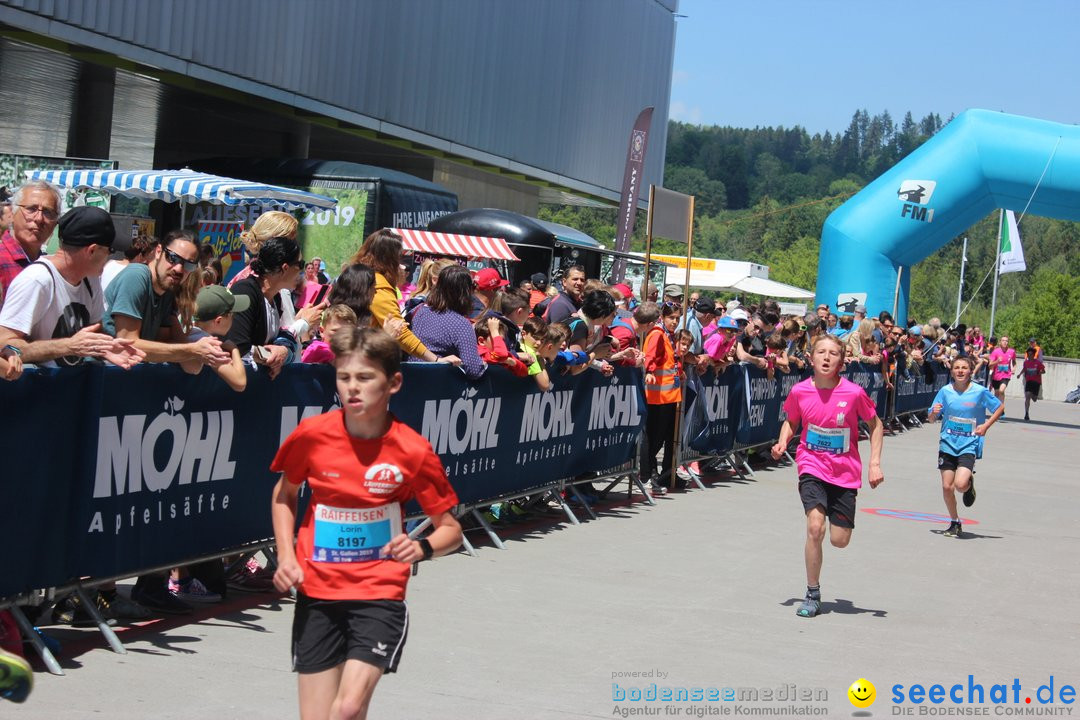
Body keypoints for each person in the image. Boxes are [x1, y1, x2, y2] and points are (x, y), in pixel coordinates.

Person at [270, 326, 462, 720]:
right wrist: (286, 557)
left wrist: (422, 547)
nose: (352, 388)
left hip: (379, 593)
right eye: (344, 377)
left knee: (348, 708)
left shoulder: (412, 449)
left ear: (393, 382)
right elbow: (284, 496)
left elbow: (451, 529)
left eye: (364, 378)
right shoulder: (312, 435)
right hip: (318, 591)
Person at [771, 334, 884, 618]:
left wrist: (874, 463)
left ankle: (838, 524)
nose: (826, 357)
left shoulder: (854, 393)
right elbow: (792, 420)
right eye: (820, 352)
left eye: (833, 353)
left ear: (842, 361)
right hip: (811, 465)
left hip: (845, 473)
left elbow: (876, 424)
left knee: (839, 540)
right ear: (810, 358)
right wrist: (783, 440)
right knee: (815, 527)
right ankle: (812, 592)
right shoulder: (799, 391)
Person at [0, 206, 144, 369]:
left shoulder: (90, 279)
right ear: (92, 250)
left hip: (70, 388)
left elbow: (93, 333)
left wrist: (104, 348)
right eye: (109, 250)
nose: (110, 257)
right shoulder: (38, 280)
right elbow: (4, 345)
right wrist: (67, 346)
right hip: (34, 391)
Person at [105, 229, 232, 369]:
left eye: (188, 265)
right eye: (173, 258)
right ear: (158, 251)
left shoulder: (167, 291)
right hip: (99, 375)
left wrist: (204, 351)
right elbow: (128, 344)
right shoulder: (136, 276)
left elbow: (189, 364)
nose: (178, 268)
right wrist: (192, 350)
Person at [927, 355, 1004, 537]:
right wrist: (933, 413)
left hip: (969, 443)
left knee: (960, 485)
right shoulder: (945, 391)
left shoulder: (979, 391)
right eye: (957, 368)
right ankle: (955, 522)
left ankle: (969, 484)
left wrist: (985, 426)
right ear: (952, 371)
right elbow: (931, 418)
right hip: (947, 443)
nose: (960, 371)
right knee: (947, 487)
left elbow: (999, 408)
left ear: (971, 371)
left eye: (964, 368)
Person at [350, 229, 443, 362]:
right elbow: (399, 331)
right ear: (389, 258)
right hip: (367, 359)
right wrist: (435, 360)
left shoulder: (354, 276)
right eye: (398, 257)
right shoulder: (379, 284)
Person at [641, 301, 683, 495]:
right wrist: (649, 371)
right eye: (671, 318)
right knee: (654, 438)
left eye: (677, 318)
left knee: (660, 437)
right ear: (662, 317)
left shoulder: (668, 335)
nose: (675, 322)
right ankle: (646, 475)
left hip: (667, 395)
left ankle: (653, 473)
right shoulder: (657, 334)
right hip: (657, 396)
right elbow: (649, 356)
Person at [0, 181, 61, 305]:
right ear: (12, 213)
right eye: (31, 209)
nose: (39, 218)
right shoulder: (2, 261)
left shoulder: (52, 266)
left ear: (55, 222)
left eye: (48, 212)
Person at [180, 285, 251, 392]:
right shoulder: (206, 343)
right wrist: (234, 349)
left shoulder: (184, 328)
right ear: (218, 321)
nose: (234, 317)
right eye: (232, 313)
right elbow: (240, 383)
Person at [1016, 347, 1045, 421]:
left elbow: (1043, 371)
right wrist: (1019, 374)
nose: (1029, 356)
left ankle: (1034, 395)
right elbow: (1024, 369)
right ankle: (1026, 413)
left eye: (1031, 354)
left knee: (1034, 399)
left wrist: (1039, 372)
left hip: (1036, 382)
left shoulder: (1038, 363)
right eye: (1028, 354)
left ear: (1033, 355)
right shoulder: (1026, 362)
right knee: (1027, 396)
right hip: (1029, 381)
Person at [987, 335, 1016, 405]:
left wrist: (1014, 368)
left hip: (1006, 375)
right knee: (996, 393)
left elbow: (1014, 361)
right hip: (996, 376)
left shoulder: (1012, 352)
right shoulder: (995, 352)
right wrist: (997, 361)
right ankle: (997, 408)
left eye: (1006, 341)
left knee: (1001, 390)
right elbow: (990, 365)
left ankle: (1001, 408)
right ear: (1000, 342)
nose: (1005, 342)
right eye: (1003, 340)